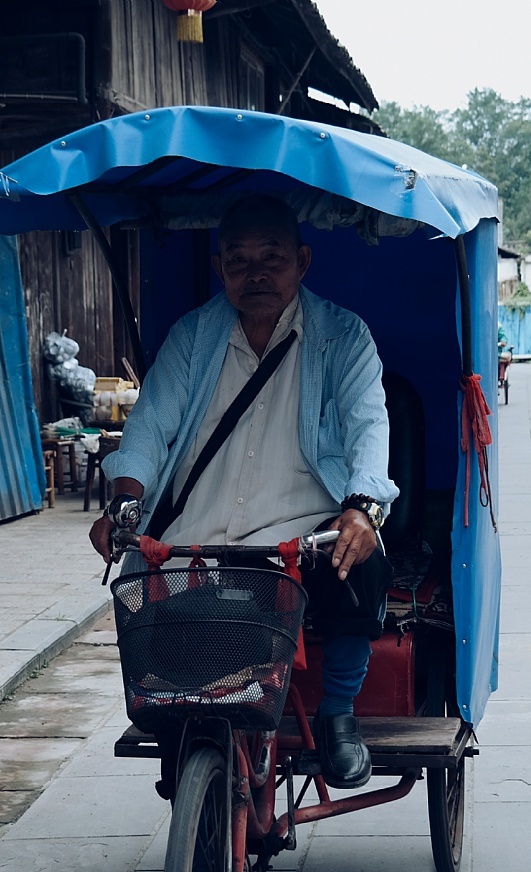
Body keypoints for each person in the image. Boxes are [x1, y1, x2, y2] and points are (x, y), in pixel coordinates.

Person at [90, 194, 397, 791]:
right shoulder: (192, 336)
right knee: (156, 616)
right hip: (199, 533)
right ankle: (186, 743)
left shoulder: (342, 336)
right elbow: (149, 425)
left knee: (358, 561)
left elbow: (368, 423)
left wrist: (363, 507)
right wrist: (125, 501)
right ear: (219, 268)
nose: (256, 273)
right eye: (239, 260)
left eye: (272, 258)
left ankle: (338, 715)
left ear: (302, 261)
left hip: (299, 534)